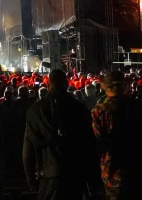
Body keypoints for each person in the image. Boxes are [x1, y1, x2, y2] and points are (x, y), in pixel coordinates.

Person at [23, 69, 100, 200]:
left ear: (49, 84)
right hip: (74, 173)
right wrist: (92, 178)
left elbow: (28, 147)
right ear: (66, 83)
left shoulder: (35, 110)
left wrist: (30, 177)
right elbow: (90, 145)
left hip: (47, 175)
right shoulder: (79, 108)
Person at [91, 71, 142, 200]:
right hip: (138, 165)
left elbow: (97, 142)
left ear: (104, 86)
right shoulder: (140, 107)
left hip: (111, 168)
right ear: (125, 86)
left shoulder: (99, 111)